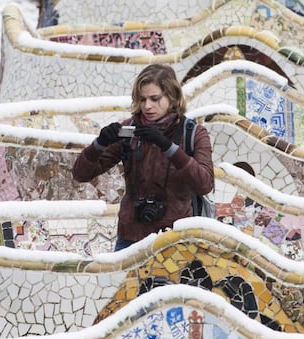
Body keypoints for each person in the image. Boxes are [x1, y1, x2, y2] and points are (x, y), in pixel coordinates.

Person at [73, 64, 214, 251]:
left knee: (169, 282)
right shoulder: (131, 130)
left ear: (172, 98)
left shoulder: (193, 133)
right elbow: (80, 174)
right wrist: (99, 144)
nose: (147, 106)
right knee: (125, 281)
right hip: (131, 235)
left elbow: (204, 184)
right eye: (142, 100)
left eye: (155, 99)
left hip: (175, 237)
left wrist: (168, 147)